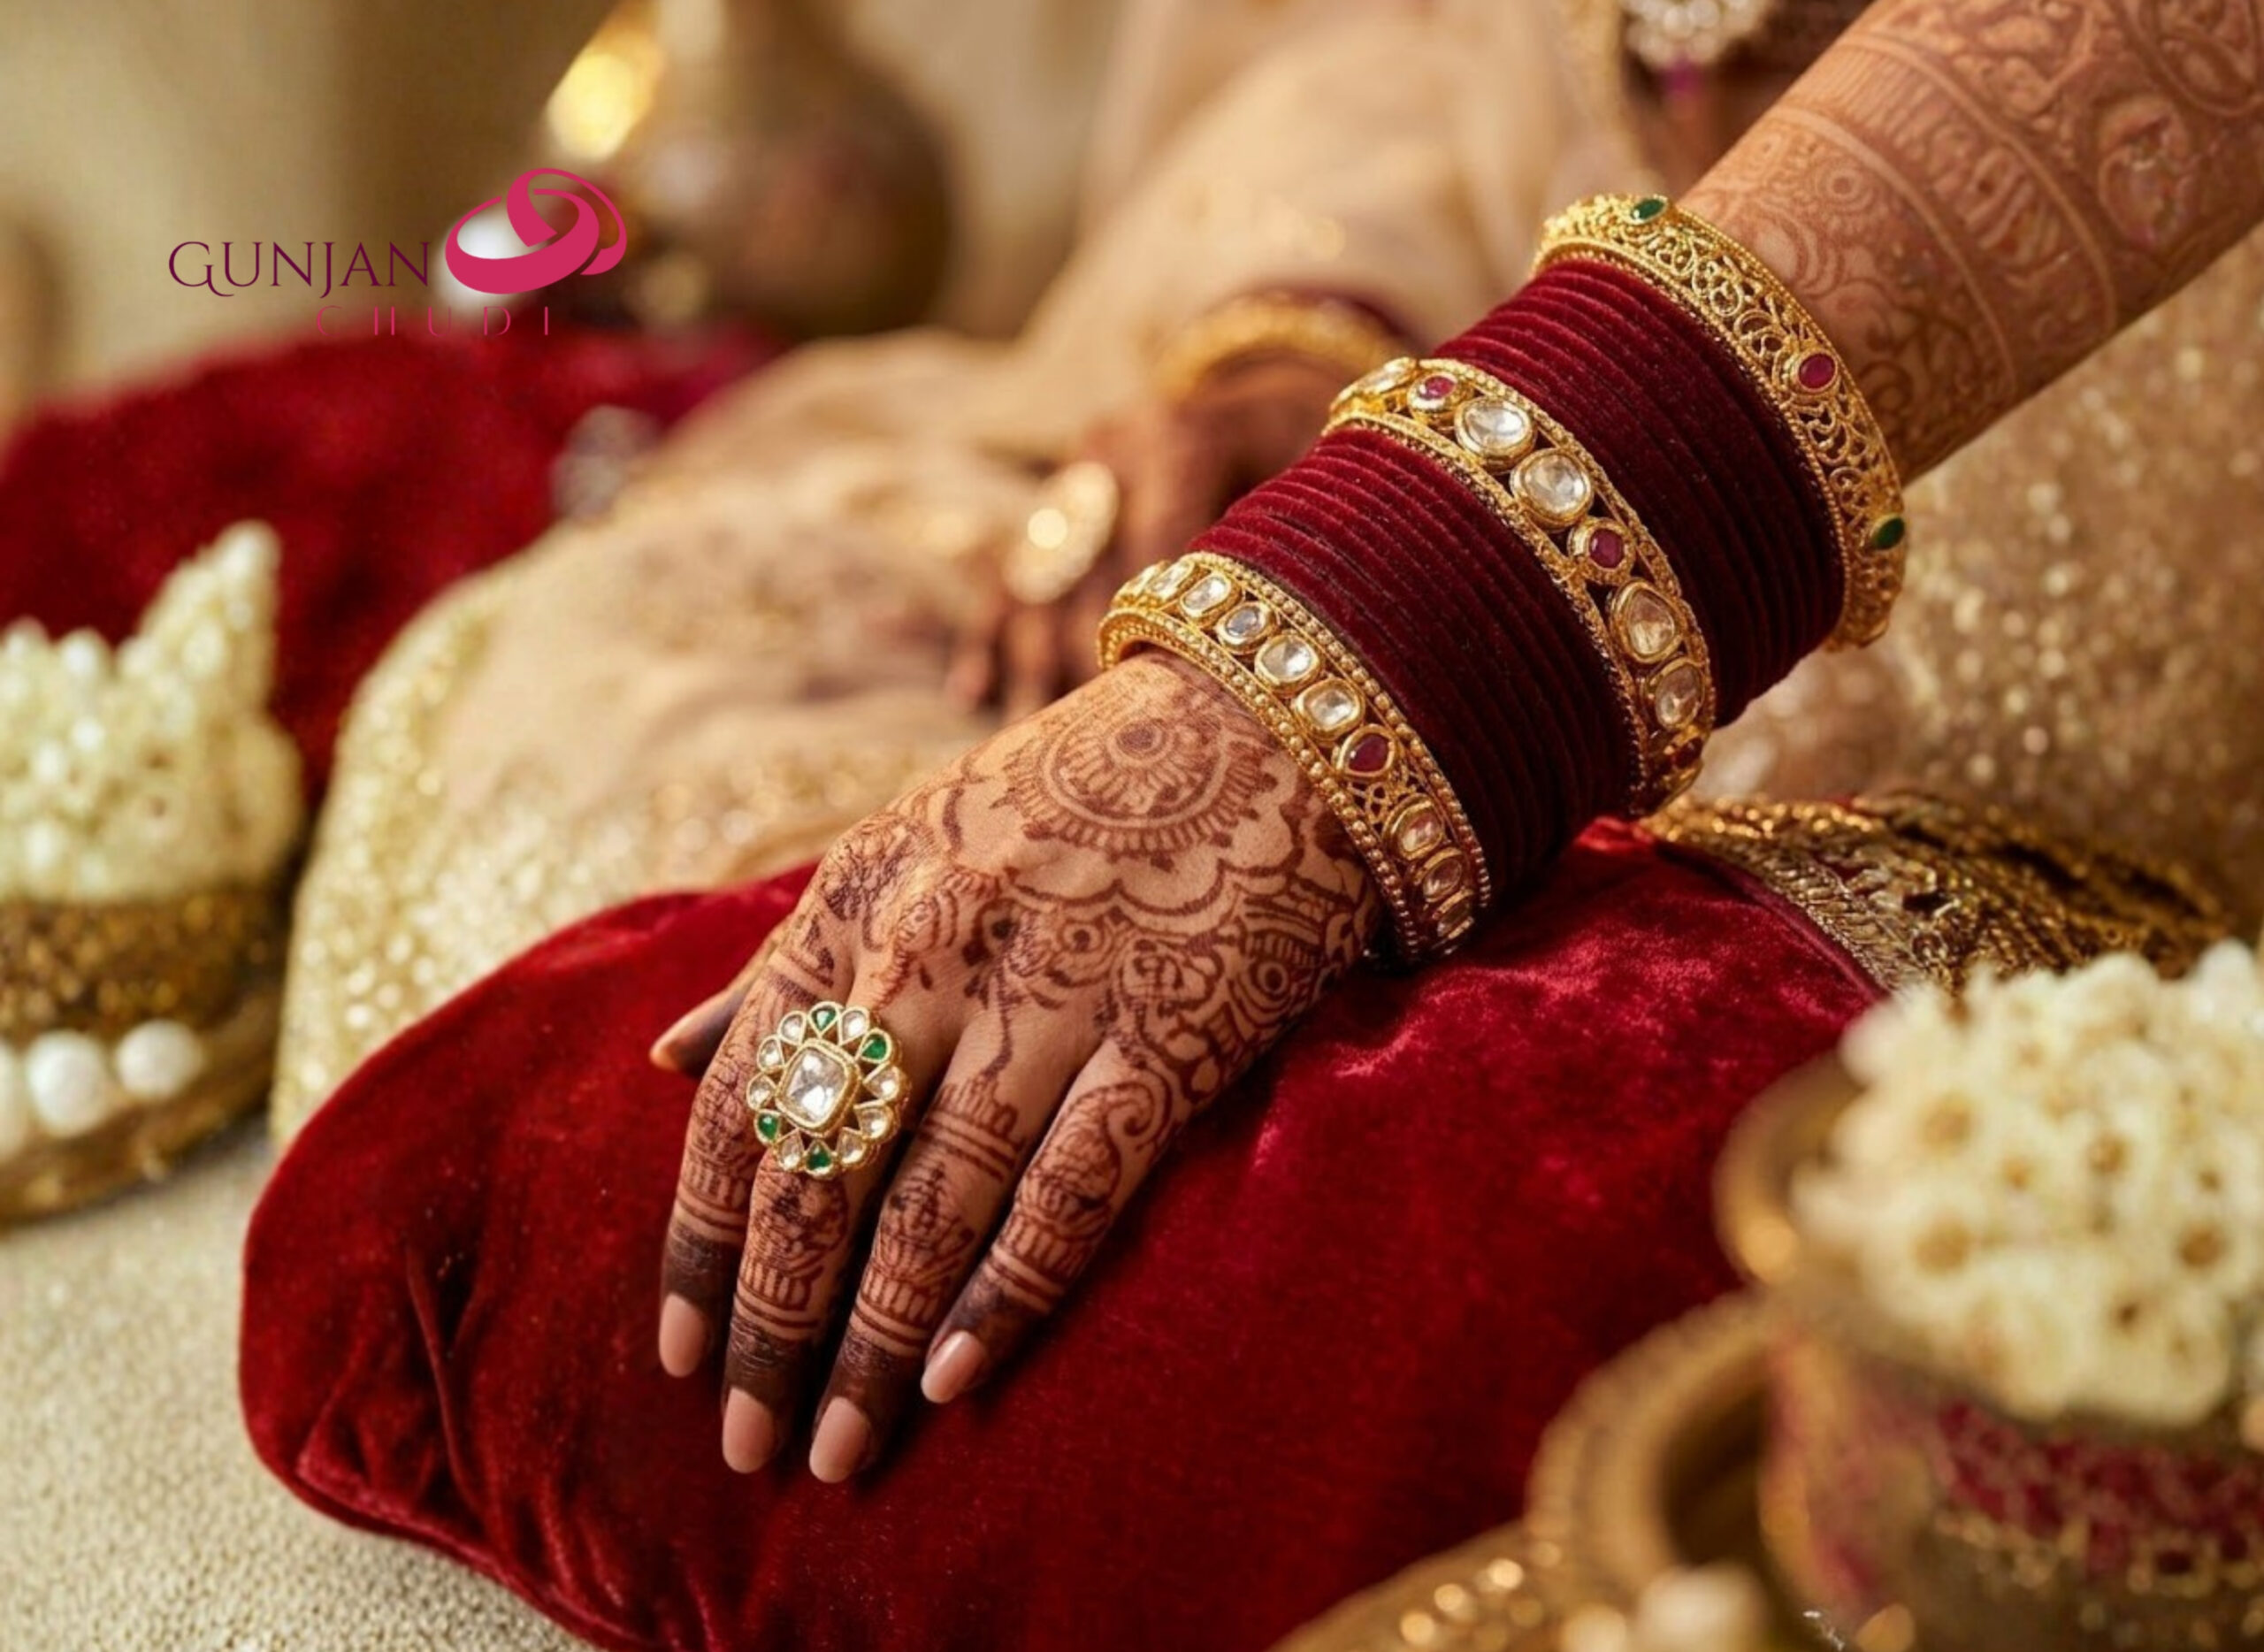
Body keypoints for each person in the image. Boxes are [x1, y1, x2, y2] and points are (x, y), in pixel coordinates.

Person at [272, 0, 2264, 1498]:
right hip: (1535, 305)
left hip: (2101, 451)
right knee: (583, 738)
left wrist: (1357, 653)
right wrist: (1312, 352)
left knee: (1314, 1284)